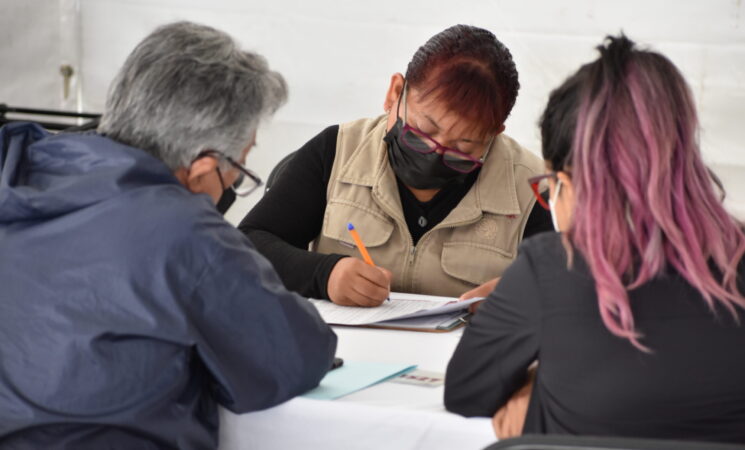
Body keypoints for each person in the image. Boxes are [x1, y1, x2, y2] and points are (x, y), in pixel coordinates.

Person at [0, 22, 337, 449]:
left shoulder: (17, 168)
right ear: (200, 166)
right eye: (241, 163)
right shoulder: (184, 232)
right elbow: (292, 357)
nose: (233, 182)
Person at [444, 35, 745, 443]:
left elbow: (466, 392)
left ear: (568, 183)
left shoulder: (548, 266)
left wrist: (539, 386)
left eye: (550, 184)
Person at [239, 25, 552, 307]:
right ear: (395, 93)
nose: (434, 152)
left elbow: (568, 285)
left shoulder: (531, 188)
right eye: (423, 131)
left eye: (463, 147)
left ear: (494, 135)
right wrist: (324, 274)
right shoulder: (339, 150)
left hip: (462, 361)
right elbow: (249, 244)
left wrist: (526, 297)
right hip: (344, 354)